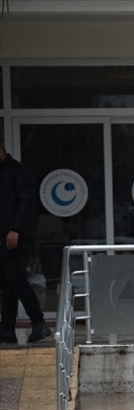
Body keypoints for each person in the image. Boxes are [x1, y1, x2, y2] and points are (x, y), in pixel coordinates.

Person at [0, 136, 53, 345]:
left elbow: (25, 204)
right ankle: (7, 330)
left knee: (17, 280)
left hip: (17, 236)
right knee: (7, 283)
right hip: (4, 236)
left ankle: (39, 323)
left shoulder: (17, 171)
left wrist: (15, 229)